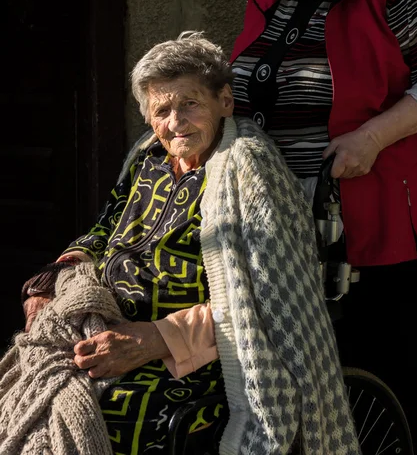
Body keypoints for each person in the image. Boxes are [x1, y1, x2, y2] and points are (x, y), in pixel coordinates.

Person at [17, 33, 360, 455]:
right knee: (29, 391)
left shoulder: (248, 171)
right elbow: (104, 229)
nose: (176, 122)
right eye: (162, 110)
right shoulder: (146, 158)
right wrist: (56, 278)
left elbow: (266, 306)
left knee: (116, 413)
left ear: (225, 102)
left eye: (190, 103)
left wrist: (158, 338)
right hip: (108, 325)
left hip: (198, 355)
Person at [230, 0, 417, 454]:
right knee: (297, 382)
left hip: (368, 216)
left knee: (378, 371)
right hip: (279, 218)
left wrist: (372, 136)